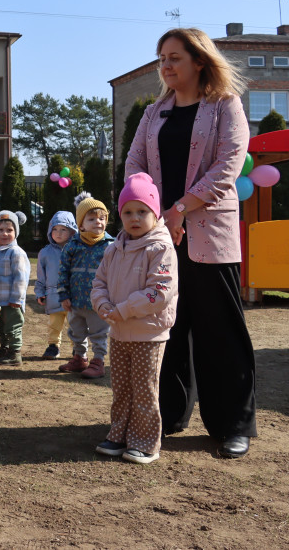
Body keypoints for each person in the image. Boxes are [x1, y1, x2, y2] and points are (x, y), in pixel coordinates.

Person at [124, 27, 256, 459]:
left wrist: (181, 208)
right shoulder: (153, 113)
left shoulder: (225, 106)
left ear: (199, 61)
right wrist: (155, 214)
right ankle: (170, 414)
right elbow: (134, 166)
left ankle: (231, 425)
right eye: (161, 57)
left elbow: (227, 167)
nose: (165, 65)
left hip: (208, 236)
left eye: (174, 57)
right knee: (167, 329)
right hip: (160, 237)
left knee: (220, 332)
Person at [92, 173, 178, 464]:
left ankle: (145, 443)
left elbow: (160, 292)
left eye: (142, 211)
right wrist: (102, 304)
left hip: (147, 334)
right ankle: (119, 435)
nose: (135, 218)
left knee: (144, 391)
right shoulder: (114, 248)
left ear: (155, 213)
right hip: (118, 332)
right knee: (122, 390)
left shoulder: (161, 248)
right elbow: (99, 283)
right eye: (128, 212)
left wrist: (124, 309)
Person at [56, 193, 114, 379]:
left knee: (99, 333)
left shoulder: (111, 246)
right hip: (75, 301)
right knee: (76, 331)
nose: (98, 222)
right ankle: (79, 358)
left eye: (102, 218)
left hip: (99, 303)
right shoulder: (73, 245)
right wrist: (63, 295)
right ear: (81, 224)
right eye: (92, 219)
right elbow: (63, 270)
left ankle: (98, 361)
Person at [0, 211, 31, 366]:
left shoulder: (16, 253)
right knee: (0, 327)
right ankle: (4, 349)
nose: (5, 233)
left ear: (16, 232)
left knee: (13, 326)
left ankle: (15, 353)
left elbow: (21, 278)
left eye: (9, 230)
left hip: (11, 301)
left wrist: (17, 299)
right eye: (0, 230)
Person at [35, 211, 79, 360]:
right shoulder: (45, 253)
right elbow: (41, 276)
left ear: (72, 231)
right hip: (53, 297)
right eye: (55, 229)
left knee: (75, 325)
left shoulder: (78, 251)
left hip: (74, 297)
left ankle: (77, 349)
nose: (58, 233)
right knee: (54, 324)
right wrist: (40, 292)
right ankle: (53, 346)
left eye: (63, 229)